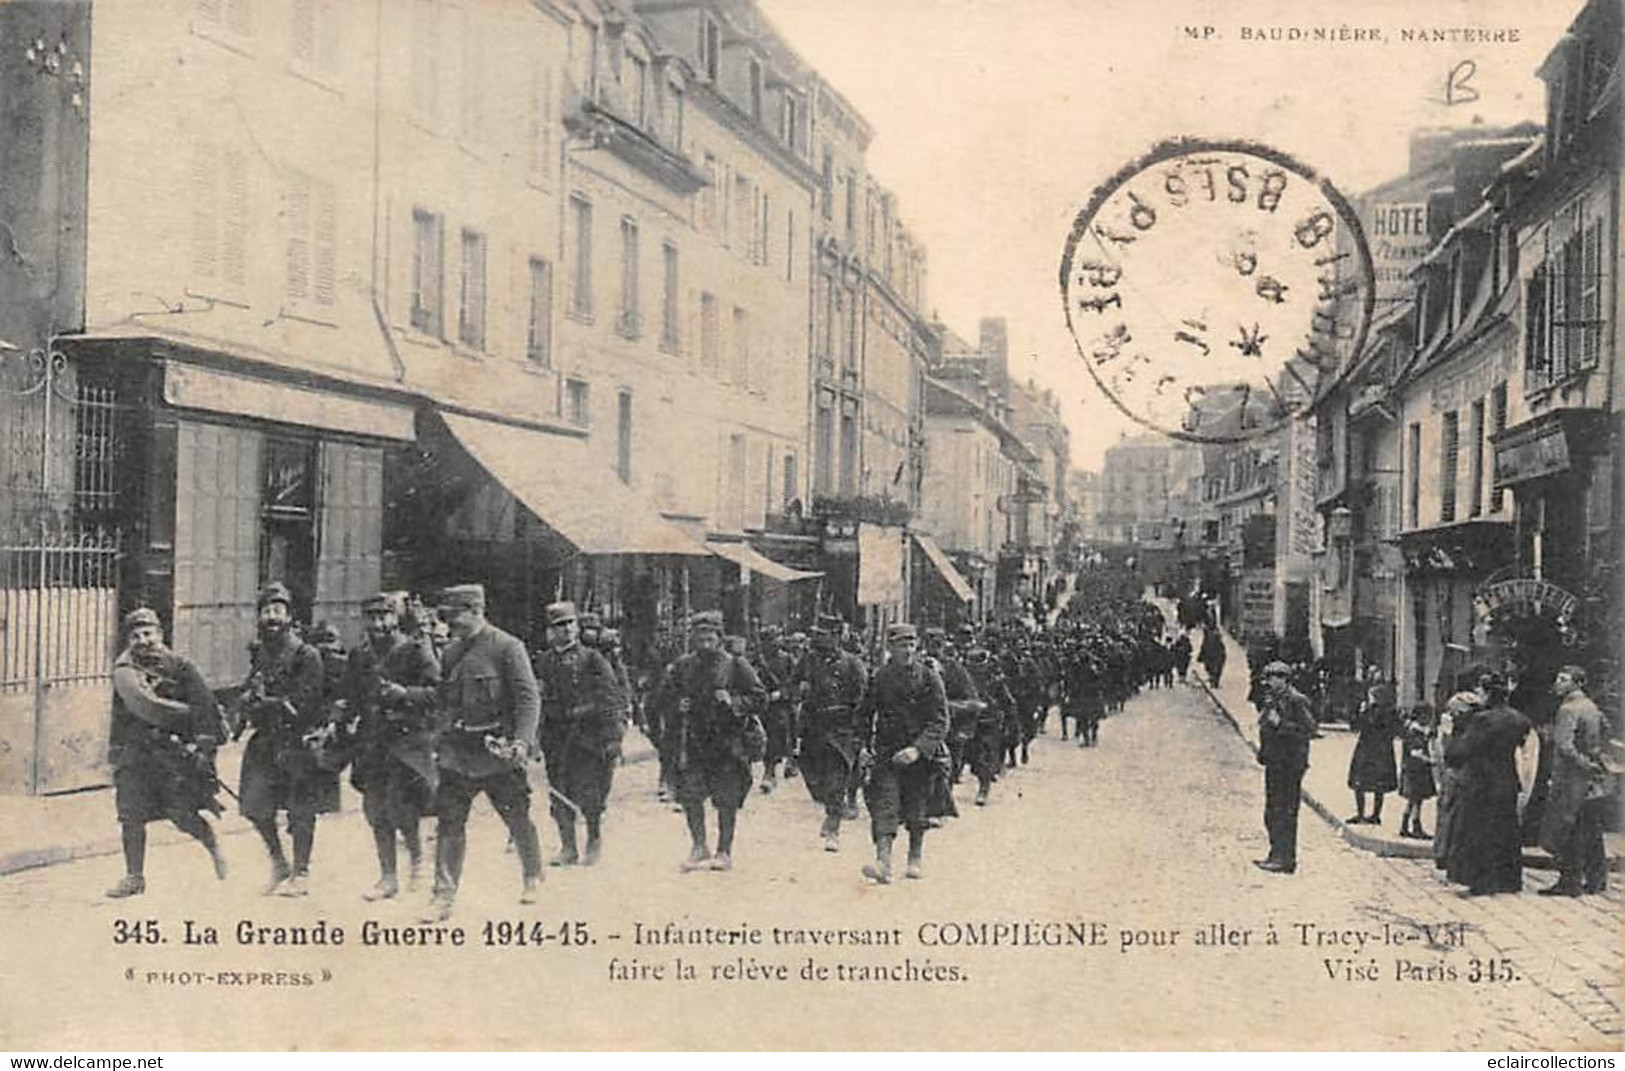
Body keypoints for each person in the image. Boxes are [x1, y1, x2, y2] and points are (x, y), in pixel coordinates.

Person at [424, 584, 544, 922]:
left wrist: (521, 742)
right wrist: (439, 737)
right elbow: (444, 700)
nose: (450, 625)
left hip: (497, 753)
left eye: (456, 617)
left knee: (517, 818)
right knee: (449, 823)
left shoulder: (508, 647)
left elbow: (528, 699)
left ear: (476, 610)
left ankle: (532, 874)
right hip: (458, 753)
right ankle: (442, 896)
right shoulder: (450, 653)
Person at [105, 608, 228, 898]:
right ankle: (134, 876)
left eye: (148, 633)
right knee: (130, 814)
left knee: (181, 814)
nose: (143, 640)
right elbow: (133, 708)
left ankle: (212, 845)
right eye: (135, 636)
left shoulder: (181, 667)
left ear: (160, 635)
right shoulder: (126, 672)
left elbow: (205, 708)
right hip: (138, 752)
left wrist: (202, 748)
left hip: (173, 755)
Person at [235, 582, 330, 897]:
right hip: (266, 741)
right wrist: (247, 700)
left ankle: (301, 872)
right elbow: (251, 686)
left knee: (300, 810)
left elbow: (307, 703)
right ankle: (279, 862)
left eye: (277, 610)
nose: (271, 617)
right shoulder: (260, 652)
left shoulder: (307, 654)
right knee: (253, 805)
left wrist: (271, 703)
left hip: (297, 742)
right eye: (266, 611)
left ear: (289, 616)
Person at [348, 592, 441, 901]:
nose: (378, 623)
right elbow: (348, 695)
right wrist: (338, 718)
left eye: (384, 616)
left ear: (395, 617)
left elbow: (437, 693)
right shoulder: (360, 656)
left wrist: (404, 693)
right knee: (375, 809)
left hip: (407, 742)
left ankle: (417, 860)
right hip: (373, 742)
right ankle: (388, 876)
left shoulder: (414, 650)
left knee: (401, 806)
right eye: (372, 618)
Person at [656, 611, 767, 872]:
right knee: (691, 795)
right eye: (700, 637)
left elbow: (760, 698)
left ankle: (724, 850)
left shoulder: (735, 665)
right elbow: (662, 698)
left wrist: (733, 701)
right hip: (694, 742)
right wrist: (676, 704)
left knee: (726, 799)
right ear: (693, 638)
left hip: (727, 744)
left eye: (710, 637)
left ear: (719, 637)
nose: (705, 642)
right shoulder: (683, 666)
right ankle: (699, 845)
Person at [534, 601, 624, 867]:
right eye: (560, 626)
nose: (567, 630)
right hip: (557, 738)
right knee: (559, 790)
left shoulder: (593, 659)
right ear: (551, 631)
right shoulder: (543, 661)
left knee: (591, 791)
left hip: (589, 737)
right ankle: (568, 846)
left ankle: (594, 839)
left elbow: (610, 698)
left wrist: (612, 738)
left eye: (570, 624)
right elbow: (535, 698)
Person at [860, 624, 950, 883]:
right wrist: (864, 747)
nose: (908, 651)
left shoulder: (929, 677)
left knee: (916, 809)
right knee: (884, 805)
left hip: (920, 757)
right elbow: (864, 716)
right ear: (891, 648)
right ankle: (883, 863)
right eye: (902, 645)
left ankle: (914, 857)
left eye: (911, 645)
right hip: (887, 753)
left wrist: (918, 749)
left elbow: (940, 720)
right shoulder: (880, 678)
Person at [1444, 671, 1531, 896]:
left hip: (1481, 782)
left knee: (1479, 832)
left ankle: (1482, 882)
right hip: (1507, 780)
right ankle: (1509, 880)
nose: (1477, 695)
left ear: (1487, 692)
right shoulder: (1519, 719)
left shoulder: (1481, 721)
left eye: (1479, 691)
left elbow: (1458, 754)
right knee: (1507, 830)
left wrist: (1451, 733)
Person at [794, 619, 869, 851]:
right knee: (815, 779)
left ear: (836, 636)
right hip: (813, 728)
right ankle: (829, 806)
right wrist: (799, 690)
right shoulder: (808, 661)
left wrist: (861, 735)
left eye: (823, 634)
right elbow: (792, 684)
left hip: (841, 730)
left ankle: (833, 824)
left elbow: (864, 701)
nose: (817, 638)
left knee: (836, 780)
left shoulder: (852, 664)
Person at [1537, 666, 1610, 896]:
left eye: (1563, 679)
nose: (1558, 683)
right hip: (1590, 778)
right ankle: (1597, 880)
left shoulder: (1567, 709)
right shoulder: (1591, 706)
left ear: (1577, 683)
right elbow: (1605, 731)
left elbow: (1565, 747)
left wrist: (1583, 763)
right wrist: (1593, 760)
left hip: (1569, 778)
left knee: (1567, 828)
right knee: (1591, 828)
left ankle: (1569, 881)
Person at [1253, 660, 1317, 874]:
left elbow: (1309, 730)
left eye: (1274, 678)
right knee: (1272, 811)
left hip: (1290, 765)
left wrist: (1280, 723)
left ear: (1284, 679)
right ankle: (1275, 853)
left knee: (1285, 812)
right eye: (1269, 678)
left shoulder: (1297, 700)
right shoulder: (1273, 700)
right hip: (1275, 762)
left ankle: (1285, 858)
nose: (1270, 682)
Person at [1345, 670, 1399, 825]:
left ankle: (1363, 814)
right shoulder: (1388, 711)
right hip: (1381, 751)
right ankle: (1373, 814)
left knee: (1361, 782)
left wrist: (1362, 712)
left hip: (1369, 750)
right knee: (1376, 785)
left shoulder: (1377, 712)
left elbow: (1359, 726)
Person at [1397, 704, 1437, 840]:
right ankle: (1415, 826)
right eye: (1427, 716)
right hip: (1415, 769)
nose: (1429, 719)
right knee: (1415, 798)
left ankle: (1406, 825)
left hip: (1415, 769)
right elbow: (1415, 752)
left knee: (1415, 799)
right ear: (1420, 716)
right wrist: (1430, 760)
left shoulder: (1416, 730)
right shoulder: (1414, 732)